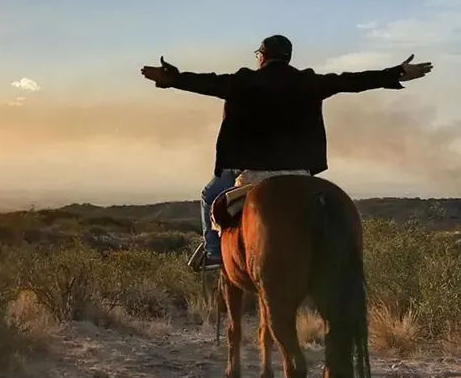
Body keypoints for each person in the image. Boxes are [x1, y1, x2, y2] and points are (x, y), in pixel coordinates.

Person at [141, 35, 433, 271]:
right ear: (288, 58)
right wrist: (397, 73)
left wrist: (172, 78)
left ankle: (214, 253)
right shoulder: (310, 81)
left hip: (252, 171)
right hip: (299, 170)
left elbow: (205, 82)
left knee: (210, 195)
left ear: (262, 56)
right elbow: (352, 81)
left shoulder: (242, 81)